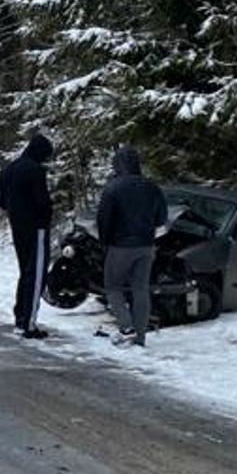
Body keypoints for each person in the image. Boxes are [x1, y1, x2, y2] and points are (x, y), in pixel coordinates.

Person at [94, 146, 167, 347]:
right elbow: (162, 218)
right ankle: (140, 337)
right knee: (141, 289)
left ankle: (127, 328)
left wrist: (105, 243)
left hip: (120, 245)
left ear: (117, 164)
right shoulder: (152, 188)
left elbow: (104, 219)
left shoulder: (113, 188)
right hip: (146, 245)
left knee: (113, 287)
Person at [0, 130, 55, 339]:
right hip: (37, 228)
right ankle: (28, 323)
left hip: (17, 227)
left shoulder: (8, 170)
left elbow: (3, 203)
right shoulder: (35, 171)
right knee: (37, 274)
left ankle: (20, 316)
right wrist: (47, 217)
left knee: (25, 272)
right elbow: (43, 201)